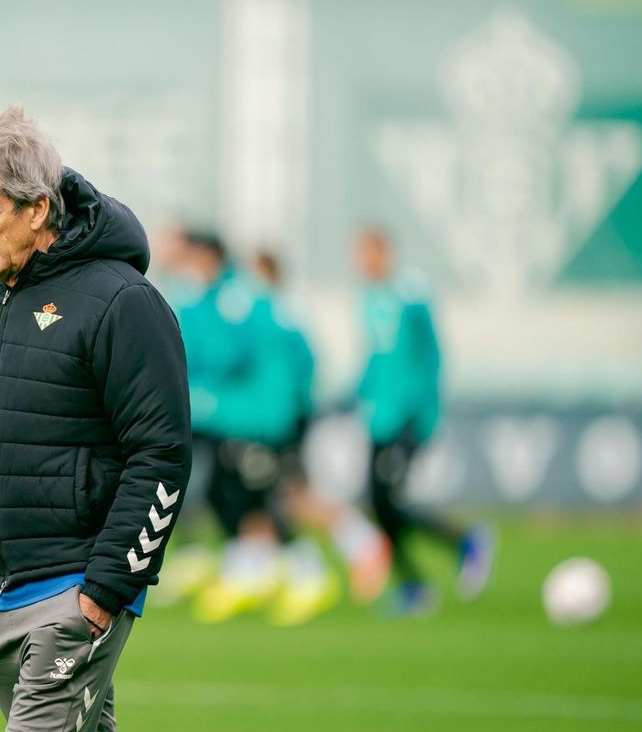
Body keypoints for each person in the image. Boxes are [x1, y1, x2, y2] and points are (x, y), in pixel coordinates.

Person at [0, 107, 190, 732]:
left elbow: (161, 453)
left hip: (72, 598)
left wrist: (107, 588)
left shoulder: (122, 301)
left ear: (37, 208)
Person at [178, 233, 336, 627]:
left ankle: (306, 572)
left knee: (265, 493)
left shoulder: (242, 304)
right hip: (250, 416)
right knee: (236, 491)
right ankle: (254, 568)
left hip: (258, 419)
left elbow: (232, 355)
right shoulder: (253, 303)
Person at [351, 227, 491, 616]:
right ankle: (427, 572)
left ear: (385, 253)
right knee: (380, 505)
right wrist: (356, 396)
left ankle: (457, 548)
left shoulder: (411, 296)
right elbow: (376, 359)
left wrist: (422, 413)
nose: (361, 263)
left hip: (406, 419)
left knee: (386, 501)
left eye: (367, 254)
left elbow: (432, 357)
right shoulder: (368, 299)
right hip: (378, 419)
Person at [249, 250, 390, 609]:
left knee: (295, 496)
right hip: (283, 416)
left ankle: (363, 544)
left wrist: (292, 406)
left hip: (285, 420)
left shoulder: (275, 314)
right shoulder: (281, 313)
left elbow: (301, 366)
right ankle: (290, 570)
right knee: (280, 496)